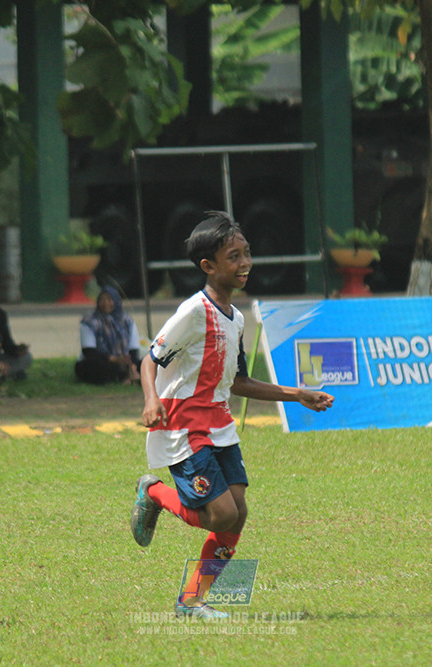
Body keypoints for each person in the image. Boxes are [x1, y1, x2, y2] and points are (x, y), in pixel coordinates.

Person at [129, 211, 334, 619]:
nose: (245, 264)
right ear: (209, 267)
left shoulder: (236, 319)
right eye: (234, 257)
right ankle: (152, 492)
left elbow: (239, 381)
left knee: (236, 516)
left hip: (220, 426)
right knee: (219, 513)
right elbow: (150, 360)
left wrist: (298, 395)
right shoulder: (192, 312)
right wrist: (151, 400)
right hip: (185, 429)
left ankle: (191, 601)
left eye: (247, 254)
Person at [75, 286, 141, 384]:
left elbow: (133, 350)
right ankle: (122, 376)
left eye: (109, 299)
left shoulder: (127, 321)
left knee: (146, 363)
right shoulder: (90, 322)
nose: (105, 303)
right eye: (102, 300)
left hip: (125, 360)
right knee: (91, 366)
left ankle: (129, 374)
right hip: (103, 360)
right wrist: (115, 359)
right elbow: (88, 351)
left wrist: (131, 364)